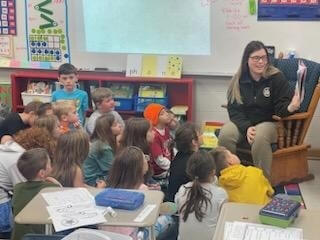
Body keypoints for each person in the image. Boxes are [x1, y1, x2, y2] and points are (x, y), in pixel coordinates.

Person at [218, 41, 300, 180]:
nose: (261, 61)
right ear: (247, 60)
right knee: (225, 134)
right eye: (256, 58)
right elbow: (234, 110)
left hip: (271, 124)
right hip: (245, 122)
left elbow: (281, 109)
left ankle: (262, 182)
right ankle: (231, 178)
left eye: (264, 57)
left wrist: (290, 107)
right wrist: (246, 127)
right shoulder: (238, 80)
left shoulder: (276, 77)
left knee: (259, 135)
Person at [175, 150, 228, 240]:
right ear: (213, 172)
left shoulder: (183, 189)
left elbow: (177, 205)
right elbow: (224, 220)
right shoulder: (220, 194)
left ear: (189, 171)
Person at [11, 148, 60, 240]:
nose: (52, 166)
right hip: (39, 236)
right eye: (50, 164)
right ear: (42, 173)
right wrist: (57, 184)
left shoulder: (17, 188)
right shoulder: (51, 188)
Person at [167, 122, 203, 202]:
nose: (202, 136)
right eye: (200, 134)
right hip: (184, 203)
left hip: (175, 199)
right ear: (194, 142)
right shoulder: (195, 161)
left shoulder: (179, 155)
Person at [83, 114, 121, 186]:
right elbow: (112, 170)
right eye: (115, 125)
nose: (120, 125)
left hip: (96, 177)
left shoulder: (100, 142)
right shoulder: (104, 148)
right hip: (94, 180)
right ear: (107, 130)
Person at [143, 103, 173, 179]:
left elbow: (170, 148)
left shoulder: (166, 129)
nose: (167, 114)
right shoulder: (154, 135)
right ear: (155, 118)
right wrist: (174, 168)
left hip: (168, 165)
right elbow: (159, 160)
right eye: (162, 114)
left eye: (166, 111)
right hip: (160, 171)